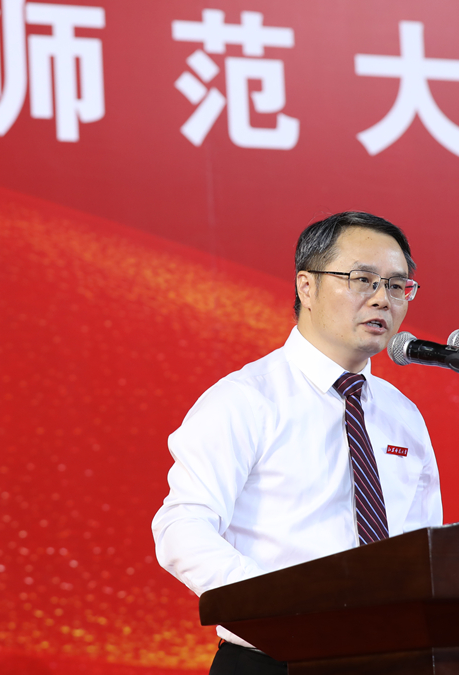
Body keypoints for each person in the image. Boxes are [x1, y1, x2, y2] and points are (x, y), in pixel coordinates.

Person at [152, 212, 443, 674]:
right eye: (362, 280)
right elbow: (181, 527)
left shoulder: (401, 414)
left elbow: (420, 545)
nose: (382, 299)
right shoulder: (247, 399)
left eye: (396, 285)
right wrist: (281, 604)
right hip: (274, 659)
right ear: (306, 287)